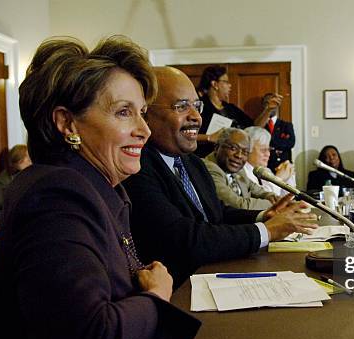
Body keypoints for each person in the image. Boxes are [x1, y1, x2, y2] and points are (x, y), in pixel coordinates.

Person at [0, 36, 200, 339]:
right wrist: (157, 298)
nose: (144, 130)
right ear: (67, 123)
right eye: (122, 112)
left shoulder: (94, 186)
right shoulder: (58, 196)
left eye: (142, 112)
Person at [122, 67, 316, 286]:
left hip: (217, 274)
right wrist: (267, 232)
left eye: (197, 106)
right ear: (145, 114)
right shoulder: (137, 167)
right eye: (181, 106)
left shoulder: (193, 163)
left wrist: (263, 216)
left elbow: (215, 213)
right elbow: (185, 238)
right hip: (180, 291)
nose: (196, 117)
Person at [194, 65, 283, 157]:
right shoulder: (199, 107)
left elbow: (253, 128)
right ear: (215, 84)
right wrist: (209, 137)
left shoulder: (231, 108)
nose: (230, 86)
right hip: (205, 158)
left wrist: (268, 110)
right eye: (226, 82)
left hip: (231, 160)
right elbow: (184, 135)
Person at [204, 128, 278, 210]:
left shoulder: (237, 169)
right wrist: (275, 204)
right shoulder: (209, 168)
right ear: (217, 147)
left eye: (245, 152)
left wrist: (272, 197)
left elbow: (257, 190)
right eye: (233, 148)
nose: (239, 155)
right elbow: (239, 205)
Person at [243, 126, 295, 197]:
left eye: (269, 149)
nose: (268, 154)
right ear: (247, 150)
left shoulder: (266, 171)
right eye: (263, 150)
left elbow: (285, 198)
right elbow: (263, 200)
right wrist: (278, 179)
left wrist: (288, 174)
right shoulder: (242, 172)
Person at [261, 93, 296, 172]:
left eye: (273, 103)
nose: (270, 106)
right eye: (267, 103)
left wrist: (269, 145)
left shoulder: (286, 125)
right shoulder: (259, 125)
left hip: (282, 166)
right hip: (264, 166)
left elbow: (291, 143)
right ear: (263, 105)